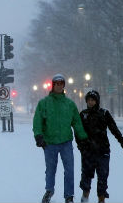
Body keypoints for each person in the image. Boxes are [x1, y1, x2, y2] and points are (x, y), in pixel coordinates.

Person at [33, 74, 89, 203]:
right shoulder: (44, 103)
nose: (59, 86)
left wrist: (83, 138)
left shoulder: (69, 104)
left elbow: (76, 122)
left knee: (69, 170)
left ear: (64, 85)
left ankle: (69, 196)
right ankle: (49, 191)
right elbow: (37, 121)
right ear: (53, 85)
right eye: (56, 83)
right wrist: (38, 135)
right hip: (49, 142)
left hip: (66, 142)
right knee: (50, 170)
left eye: (61, 83)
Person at [78, 90, 123, 203]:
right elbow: (78, 132)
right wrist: (81, 146)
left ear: (97, 101)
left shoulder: (104, 113)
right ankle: (85, 197)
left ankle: (101, 199)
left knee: (103, 178)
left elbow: (114, 129)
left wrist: (122, 142)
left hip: (103, 151)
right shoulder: (83, 114)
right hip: (88, 152)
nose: (90, 102)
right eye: (89, 100)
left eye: (93, 100)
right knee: (86, 176)